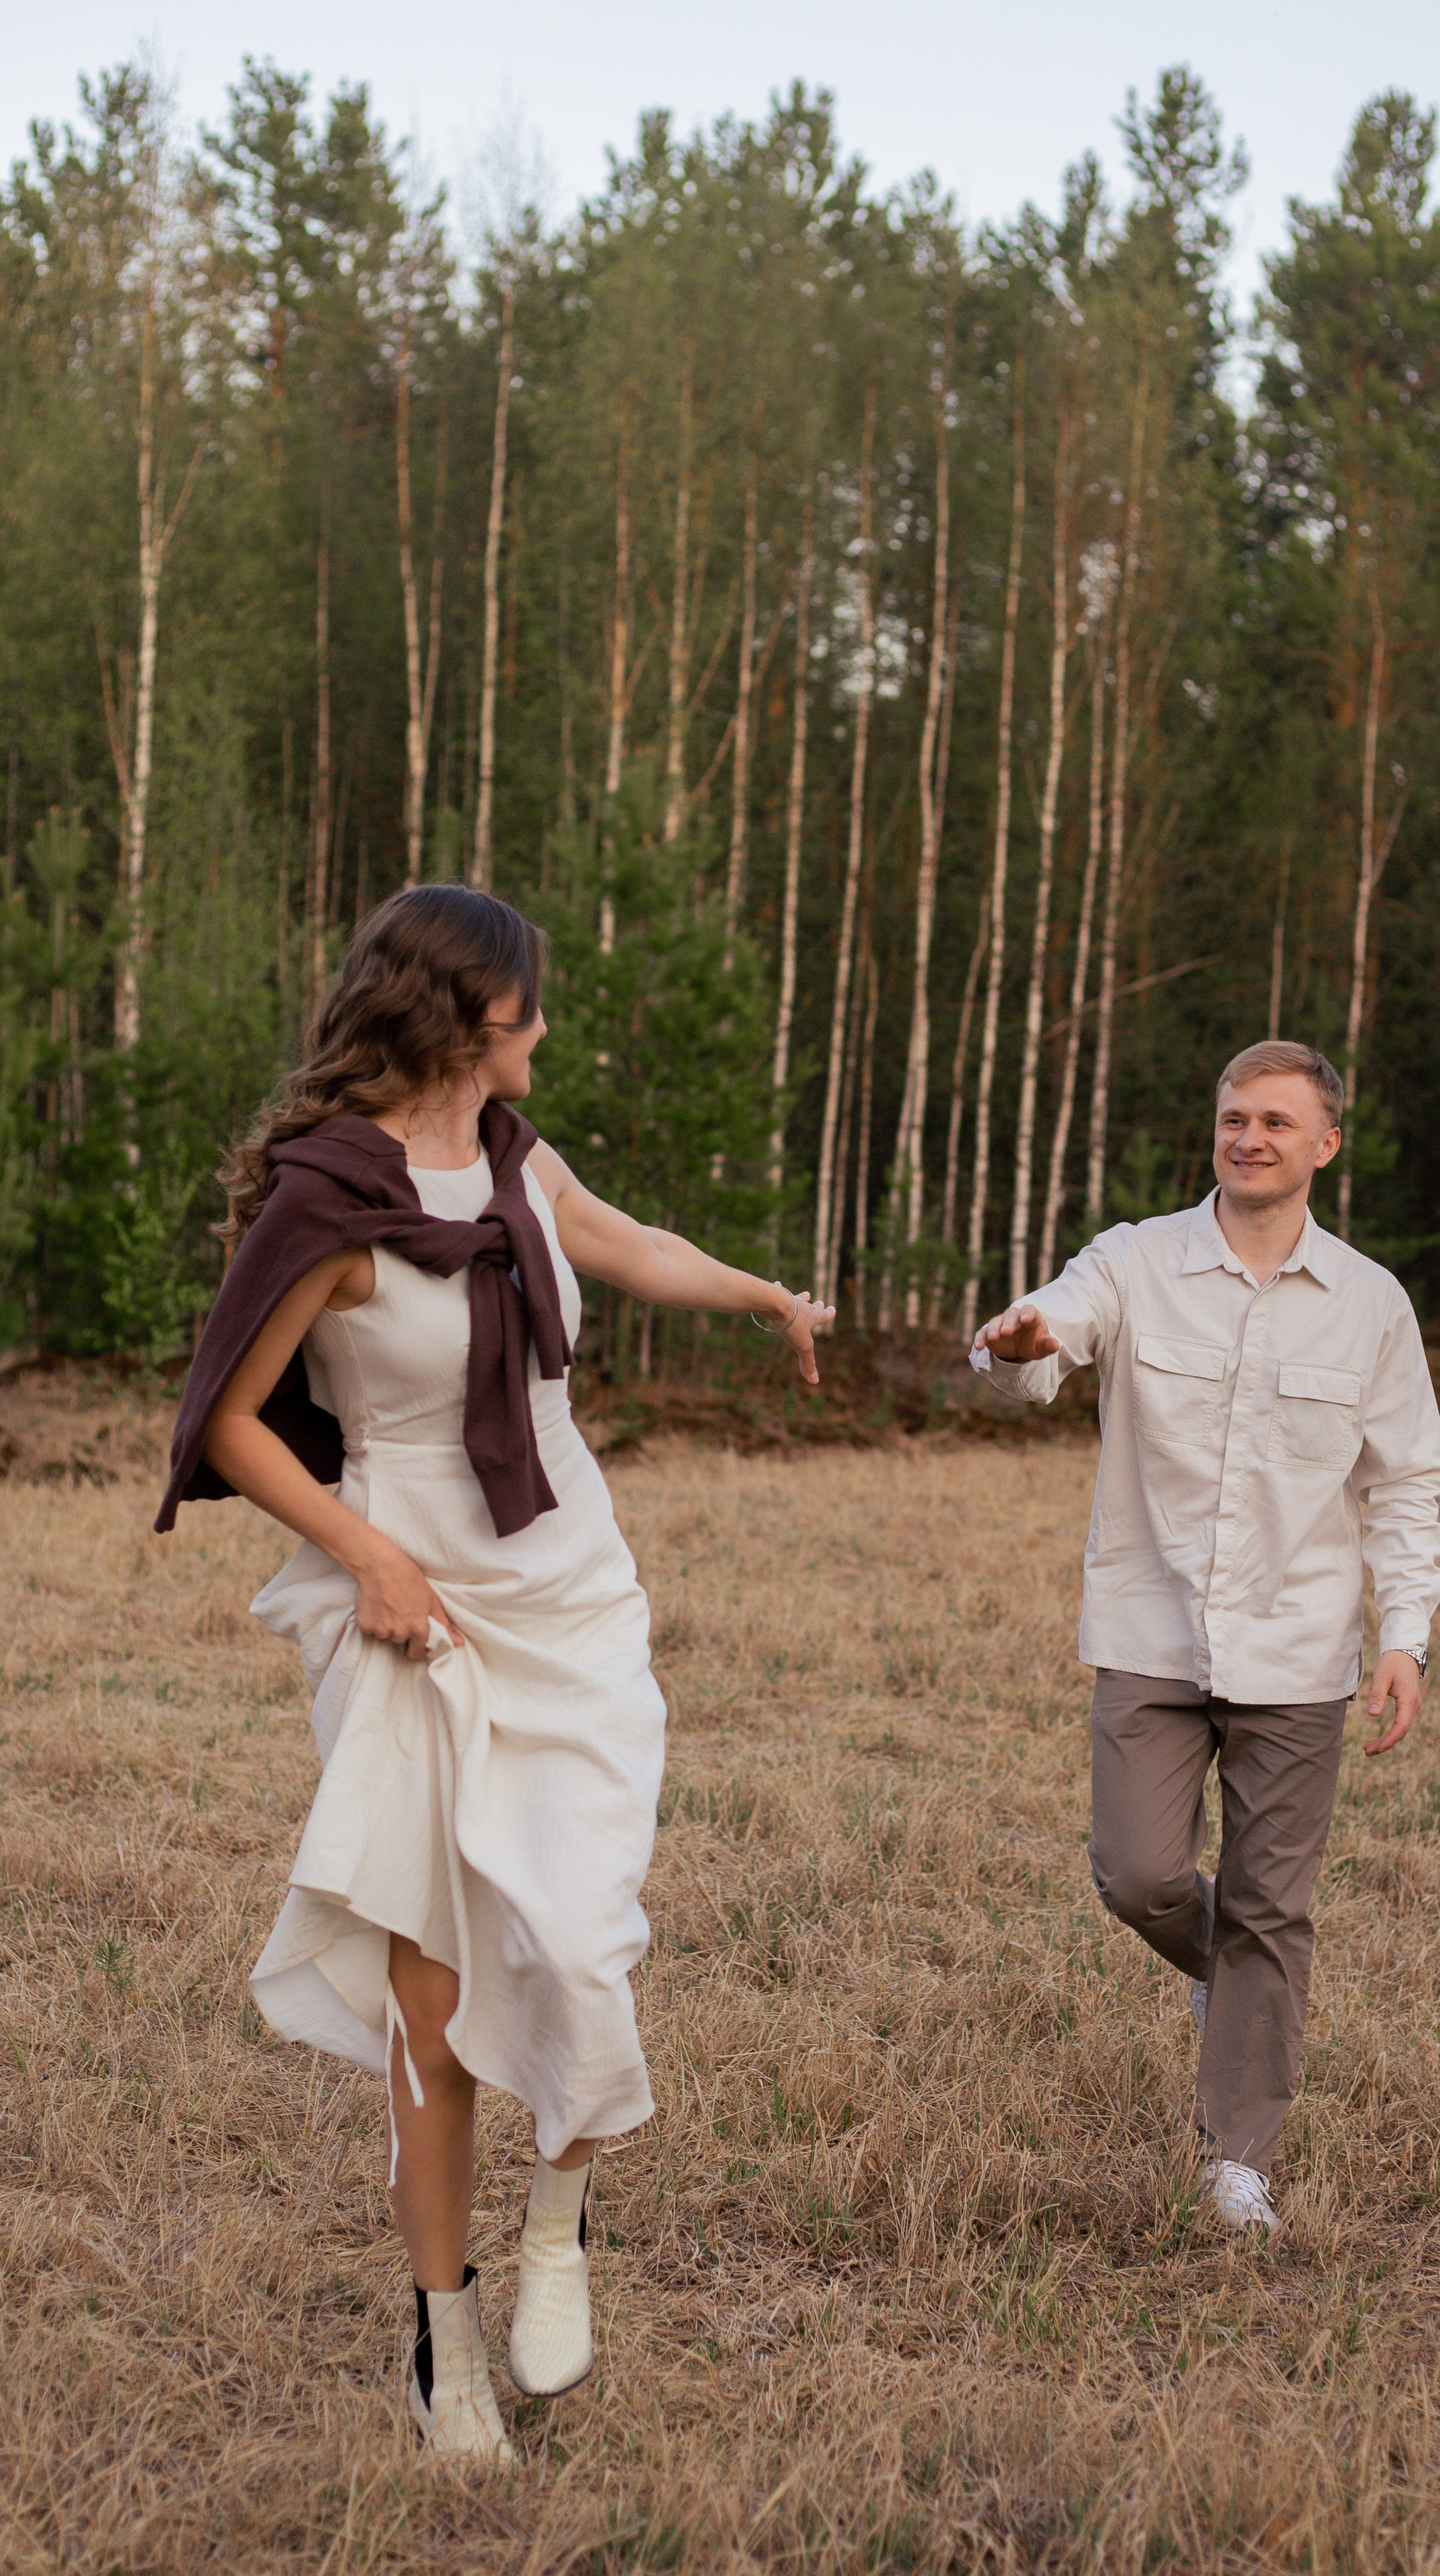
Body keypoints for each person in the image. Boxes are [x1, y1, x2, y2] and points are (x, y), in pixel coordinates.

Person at [156, 884, 832, 2462]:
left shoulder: (517, 1161)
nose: (544, 1026)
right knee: (438, 1995)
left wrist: (759, 1295)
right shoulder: (326, 1203)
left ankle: (559, 2230)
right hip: (408, 1600)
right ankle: (443, 2342)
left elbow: (625, 1244)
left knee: (583, 1935)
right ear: (466, 1014)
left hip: (567, 1580)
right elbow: (233, 1426)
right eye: (528, 1003)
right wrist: (371, 1560)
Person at [970, 1040, 1440, 2236]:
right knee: (1136, 1875)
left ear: (1325, 1146)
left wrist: (1409, 1636)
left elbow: (1408, 1483)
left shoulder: (1372, 1305)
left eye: (1278, 1123)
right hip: (1151, 1630)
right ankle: (1235, 1985)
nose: (1250, 1138)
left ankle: (1239, 2157)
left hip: (1300, 1650)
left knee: (1272, 1905)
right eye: (1236, 1116)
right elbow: (1050, 1330)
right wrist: (1018, 1344)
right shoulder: (1134, 1260)